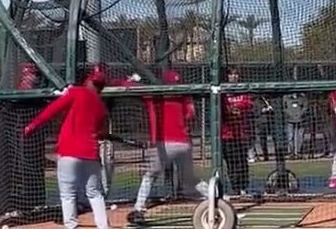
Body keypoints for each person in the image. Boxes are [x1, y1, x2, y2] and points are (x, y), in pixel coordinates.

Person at [22, 67, 111, 229]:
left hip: (69, 151)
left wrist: (32, 125)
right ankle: (104, 226)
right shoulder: (100, 105)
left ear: (89, 80)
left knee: (68, 194)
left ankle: (71, 225)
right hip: (90, 152)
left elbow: (52, 110)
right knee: (94, 193)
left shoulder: (76, 92)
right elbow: (101, 132)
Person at [128, 70, 209, 224]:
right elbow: (191, 116)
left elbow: (131, 88)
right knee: (190, 179)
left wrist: (132, 80)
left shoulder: (156, 95)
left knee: (149, 176)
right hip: (184, 143)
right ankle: (216, 198)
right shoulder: (184, 96)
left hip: (164, 144)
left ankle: (139, 208)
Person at [220, 68, 254, 195]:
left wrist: (237, 108)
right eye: (231, 74)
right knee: (231, 161)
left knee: (242, 161)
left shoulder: (243, 91)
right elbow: (221, 108)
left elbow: (248, 105)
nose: (233, 77)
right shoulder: (223, 93)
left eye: (236, 74)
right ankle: (234, 187)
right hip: (227, 134)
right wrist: (230, 110)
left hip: (241, 134)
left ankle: (243, 186)